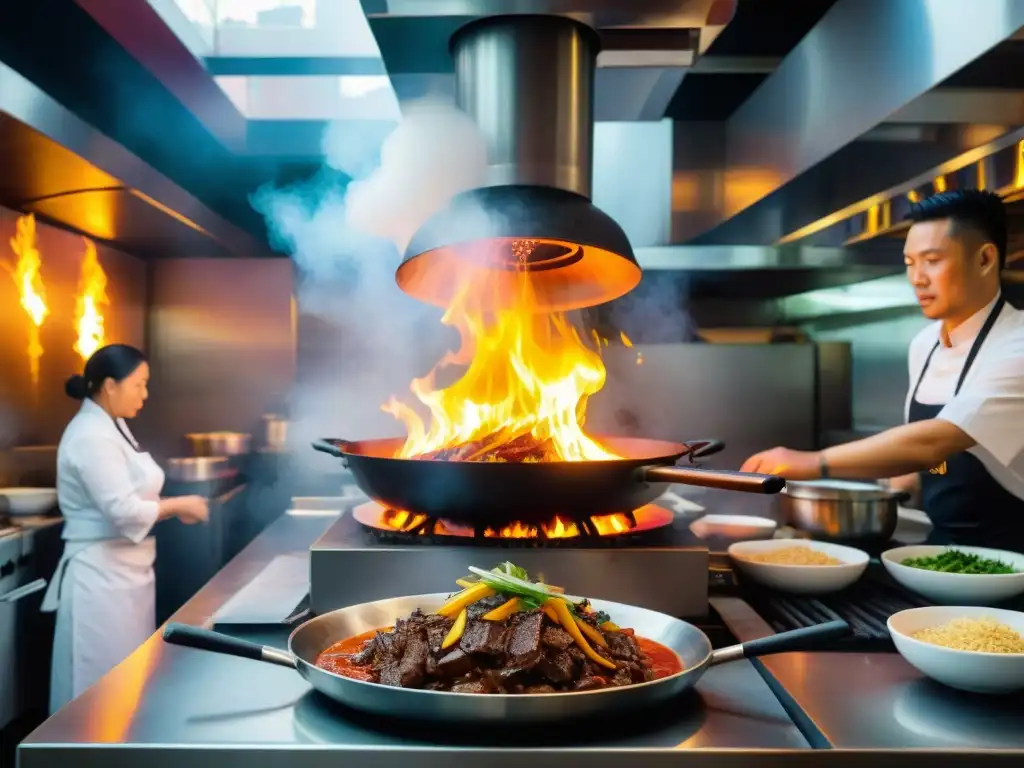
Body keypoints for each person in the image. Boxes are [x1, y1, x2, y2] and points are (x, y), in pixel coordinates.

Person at [741, 189, 1024, 549]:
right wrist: (899, 483)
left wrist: (813, 462)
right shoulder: (925, 344)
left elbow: (934, 442)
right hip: (944, 554)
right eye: (909, 263)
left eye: (932, 260)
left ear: (985, 259)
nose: (917, 278)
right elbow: (925, 458)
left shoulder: (1018, 344)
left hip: (1014, 562)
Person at [42, 344, 209, 713]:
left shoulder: (112, 424)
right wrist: (182, 506)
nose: (145, 395)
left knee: (127, 688)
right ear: (109, 386)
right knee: (97, 691)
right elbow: (123, 510)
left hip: (127, 575)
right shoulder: (89, 436)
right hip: (99, 582)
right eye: (139, 385)